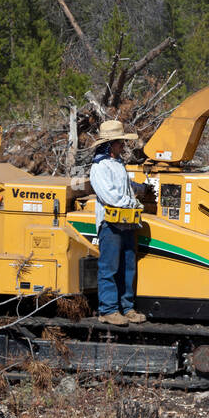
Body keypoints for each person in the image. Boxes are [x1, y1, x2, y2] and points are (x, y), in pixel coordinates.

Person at [89, 119, 148, 326]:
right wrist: (134, 203)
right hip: (110, 224)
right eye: (119, 142)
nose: (122, 145)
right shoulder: (100, 167)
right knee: (109, 268)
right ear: (110, 144)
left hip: (126, 223)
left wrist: (141, 188)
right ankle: (108, 310)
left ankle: (127, 307)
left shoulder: (117, 164)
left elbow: (125, 186)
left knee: (127, 267)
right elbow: (111, 197)